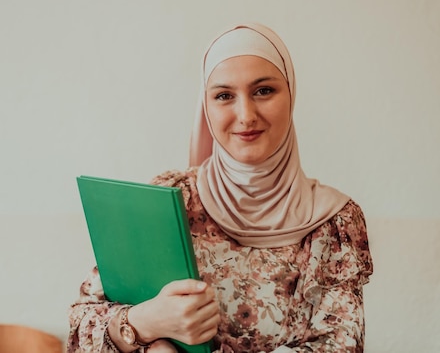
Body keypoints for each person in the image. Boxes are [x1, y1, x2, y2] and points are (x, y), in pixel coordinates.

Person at [67, 23, 373, 353]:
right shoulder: (170, 201)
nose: (245, 115)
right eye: (224, 96)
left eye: (263, 91)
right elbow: (81, 326)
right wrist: (142, 324)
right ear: (206, 106)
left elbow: (339, 346)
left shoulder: (334, 222)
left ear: (291, 94)